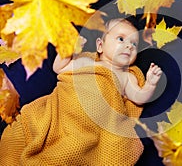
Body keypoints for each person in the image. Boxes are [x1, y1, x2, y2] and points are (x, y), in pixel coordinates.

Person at [0, 18, 162, 165]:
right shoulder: (85, 60)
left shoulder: (126, 76)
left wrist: (150, 85)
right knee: (22, 132)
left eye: (134, 44)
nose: (129, 46)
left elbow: (138, 97)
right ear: (100, 45)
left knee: (72, 148)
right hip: (60, 113)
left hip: (88, 129)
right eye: (121, 39)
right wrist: (68, 48)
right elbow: (60, 68)